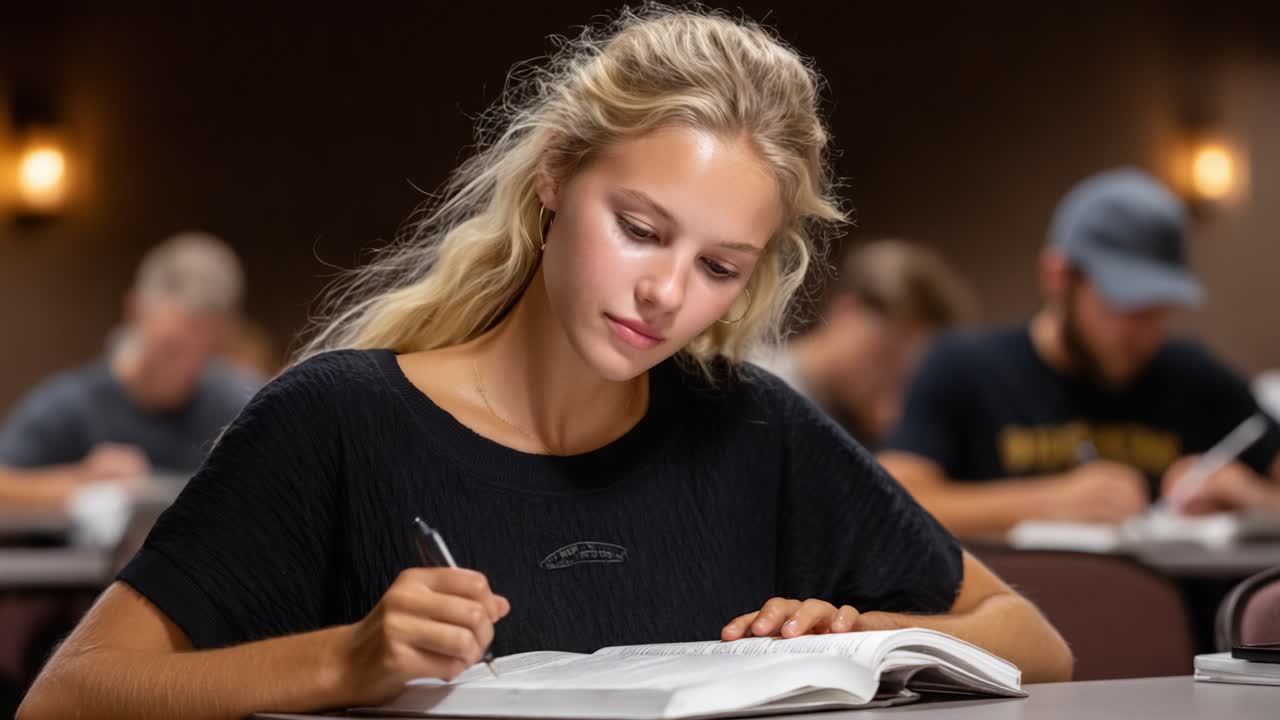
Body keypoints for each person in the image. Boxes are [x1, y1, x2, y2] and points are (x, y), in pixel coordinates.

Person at [20, 8, 1071, 718]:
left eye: (717, 264)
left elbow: (1030, 639)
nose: (666, 293)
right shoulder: (335, 420)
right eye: (639, 227)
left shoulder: (752, 424)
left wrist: (851, 636)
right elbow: (71, 694)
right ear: (556, 177)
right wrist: (346, 660)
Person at [880, 168, 1280, 537]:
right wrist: (1045, 502)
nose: (1144, 332)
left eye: (1159, 309)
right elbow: (889, 506)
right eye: (1123, 305)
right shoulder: (964, 368)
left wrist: (1253, 498)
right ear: (1057, 277)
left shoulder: (1197, 377)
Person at [0, 231, 261, 503]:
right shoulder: (72, 406)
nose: (186, 366)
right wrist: (79, 482)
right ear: (134, 312)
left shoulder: (237, 403)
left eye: (204, 351)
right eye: (171, 348)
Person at [753, 239, 975, 447]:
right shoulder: (756, 387)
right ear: (848, 311)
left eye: (909, 374)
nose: (892, 382)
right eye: (888, 354)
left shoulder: (852, 427)